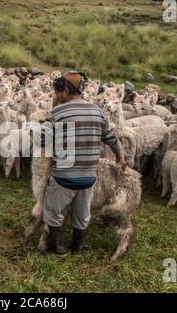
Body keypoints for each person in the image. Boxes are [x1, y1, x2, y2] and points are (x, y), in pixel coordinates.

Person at [38, 72, 126, 255]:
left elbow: (42, 140)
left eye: (58, 91)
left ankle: (60, 247)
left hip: (64, 177)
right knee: (82, 215)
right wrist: (120, 156)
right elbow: (111, 137)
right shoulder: (97, 112)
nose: (56, 95)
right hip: (88, 177)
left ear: (67, 90)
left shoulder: (57, 113)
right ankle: (77, 248)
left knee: (52, 212)